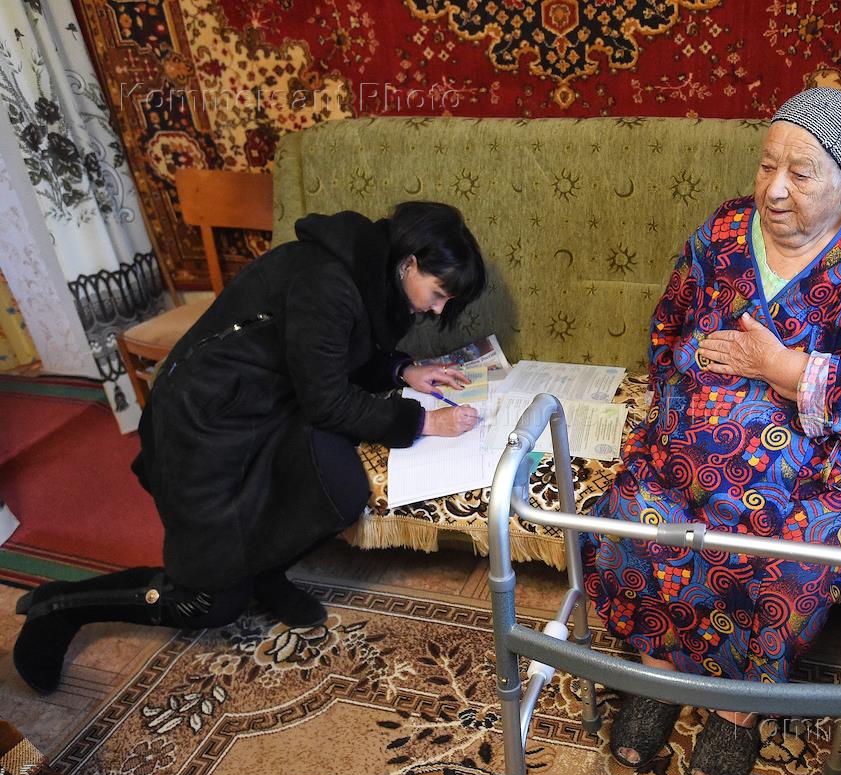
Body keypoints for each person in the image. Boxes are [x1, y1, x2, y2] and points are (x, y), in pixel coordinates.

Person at [581, 88, 841, 775]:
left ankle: (736, 711)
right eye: (768, 165)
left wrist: (784, 369)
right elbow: (668, 326)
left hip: (812, 472)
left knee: (779, 558)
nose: (773, 189)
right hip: (689, 448)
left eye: (801, 173)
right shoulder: (722, 232)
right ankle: (657, 676)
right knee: (638, 511)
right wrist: (685, 382)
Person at [12, 201, 487, 694]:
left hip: (262, 410)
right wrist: (423, 421)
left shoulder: (367, 273)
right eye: (438, 294)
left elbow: (333, 355)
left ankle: (263, 573)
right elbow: (327, 401)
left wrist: (401, 369)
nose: (438, 309)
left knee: (337, 485)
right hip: (203, 427)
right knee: (207, 602)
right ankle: (58, 606)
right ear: (409, 262)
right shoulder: (329, 282)